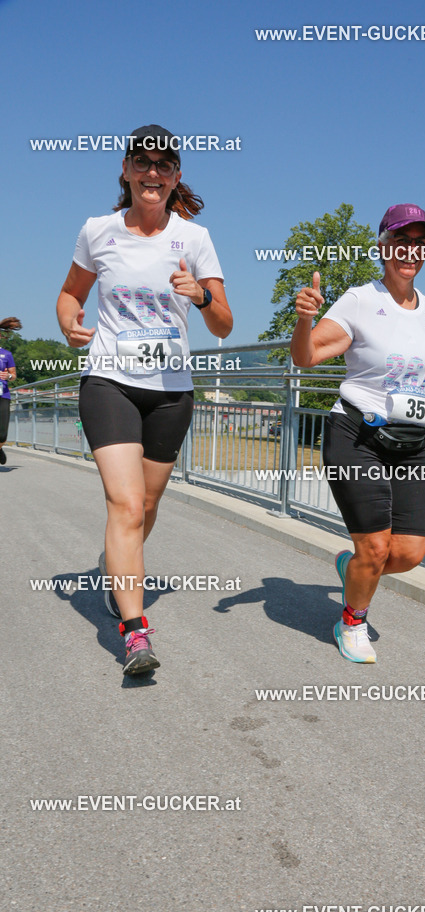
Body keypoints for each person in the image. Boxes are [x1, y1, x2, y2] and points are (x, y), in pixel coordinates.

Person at [57, 125, 232, 675]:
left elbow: (224, 323)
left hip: (171, 391)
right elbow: (70, 294)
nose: (152, 173)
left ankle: (116, 567)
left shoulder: (194, 238)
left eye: (163, 165)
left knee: (147, 506)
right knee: (127, 505)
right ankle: (135, 632)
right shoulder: (98, 230)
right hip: (109, 380)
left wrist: (201, 295)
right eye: (142, 162)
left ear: (176, 176)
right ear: (126, 170)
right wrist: (68, 323)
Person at [291, 204, 425, 663]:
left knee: (408, 553)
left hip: (411, 442)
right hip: (356, 434)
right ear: (383, 247)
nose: (411, 251)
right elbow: (306, 358)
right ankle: (352, 622)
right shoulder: (360, 300)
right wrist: (304, 320)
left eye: (420, 243)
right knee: (376, 547)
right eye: (402, 241)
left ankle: (353, 566)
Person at [0, 318, 20, 465]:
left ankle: (0, 447)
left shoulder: (6, 354)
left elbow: (14, 375)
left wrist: (8, 376)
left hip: (3, 395)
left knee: (2, 434)